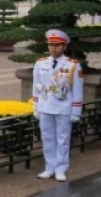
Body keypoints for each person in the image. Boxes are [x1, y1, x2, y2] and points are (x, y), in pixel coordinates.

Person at [33, 29, 83, 182]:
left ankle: (60, 168)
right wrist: (35, 106)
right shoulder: (40, 63)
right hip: (45, 105)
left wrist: (76, 111)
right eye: (50, 45)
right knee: (47, 137)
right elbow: (36, 85)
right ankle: (49, 167)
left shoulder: (72, 65)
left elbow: (77, 89)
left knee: (62, 139)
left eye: (57, 45)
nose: (53, 49)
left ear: (64, 47)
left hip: (63, 106)